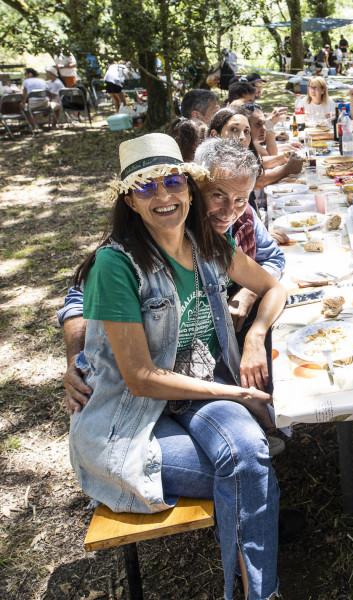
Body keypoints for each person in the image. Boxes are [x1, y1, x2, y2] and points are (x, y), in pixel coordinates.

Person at [65, 133, 287, 600]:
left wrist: (257, 335)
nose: (164, 195)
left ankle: (253, 590)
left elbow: (274, 286)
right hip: (130, 420)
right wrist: (236, 394)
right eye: (148, 187)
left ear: (188, 188)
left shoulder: (203, 240)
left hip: (194, 395)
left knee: (250, 458)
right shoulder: (115, 264)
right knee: (253, 470)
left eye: (172, 182)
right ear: (130, 199)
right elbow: (141, 379)